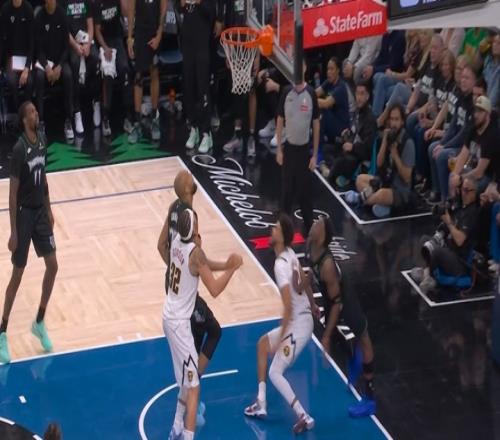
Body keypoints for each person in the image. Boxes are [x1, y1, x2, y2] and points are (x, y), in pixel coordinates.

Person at [164, 208, 242, 440]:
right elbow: (215, 289)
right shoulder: (195, 254)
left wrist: (225, 264)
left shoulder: (175, 241)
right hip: (179, 325)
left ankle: (176, 426)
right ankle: (187, 435)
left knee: (187, 379)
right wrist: (232, 269)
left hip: (169, 317)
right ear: (195, 228)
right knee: (194, 385)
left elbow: (202, 265)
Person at [244, 213, 319, 434]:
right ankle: (261, 402)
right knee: (262, 344)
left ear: (283, 236)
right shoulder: (290, 254)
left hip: (299, 323)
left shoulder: (280, 265)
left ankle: (304, 416)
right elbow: (304, 282)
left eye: (275, 228)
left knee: (275, 372)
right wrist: (314, 304)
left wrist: (281, 339)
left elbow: (287, 307)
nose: (271, 230)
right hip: (300, 319)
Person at [0, 101, 58, 364]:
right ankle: (2, 331)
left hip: (40, 213)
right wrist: (13, 231)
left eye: (36, 111)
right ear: (25, 120)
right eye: (32, 112)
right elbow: (12, 194)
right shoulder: (19, 149)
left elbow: (43, 179)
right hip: (24, 215)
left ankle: (39, 321)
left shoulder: (42, 140)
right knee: (17, 275)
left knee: (53, 266)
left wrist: (50, 209)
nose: (37, 114)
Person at [157, 171, 222, 393]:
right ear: (187, 189)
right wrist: (228, 266)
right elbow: (198, 260)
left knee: (196, 334)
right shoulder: (191, 217)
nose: (192, 177)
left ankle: (190, 387)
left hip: (172, 285)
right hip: (185, 294)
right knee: (213, 331)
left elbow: (160, 245)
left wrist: (175, 265)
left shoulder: (172, 207)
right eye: (189, 178)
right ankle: (192, 390)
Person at [306, 217, 376, 417]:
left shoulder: (328, 265)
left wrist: (327, 336)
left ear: (322, 236)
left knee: (363, 338)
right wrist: (307, 292)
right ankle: (353, 358)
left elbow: (338, 303)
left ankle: (370, 399)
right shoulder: (309, 246)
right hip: (330, 297)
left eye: (318, 223)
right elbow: (311, 272)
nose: (314, 223)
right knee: (331, 334)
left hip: (344, 299)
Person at [276, 61, 319, 235]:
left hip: (304, 150)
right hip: (289, 149)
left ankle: (310, 231)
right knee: (286, 192)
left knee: (305, 194)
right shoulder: (286, 92)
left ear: (305, 68)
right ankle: (282, 231)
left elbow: (316, 124)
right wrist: (279, 149)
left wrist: (314, 155)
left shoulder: (311, 93)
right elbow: (280, 119)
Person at [351, 103, 415, 218]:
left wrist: (395, 156)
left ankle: (361, 199)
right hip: (385, 181)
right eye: (391, 119)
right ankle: (382, 205)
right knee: (360, 179)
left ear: (402, 122)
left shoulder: (408, 143)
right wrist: (385, 141)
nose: (393, 123)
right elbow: (379, 164)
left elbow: (407, 177)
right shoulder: (389, 136)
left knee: (381, 194)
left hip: (399, 190)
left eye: (396, 119)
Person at [418, 176, 479, 293]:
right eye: (462, 189)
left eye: (467, 190)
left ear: (474, 192)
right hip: (448, 249)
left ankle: (428, 276)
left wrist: (449, 223)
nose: (463, 193)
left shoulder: (473, 213)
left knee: (436, 251)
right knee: (424, 240)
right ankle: (427, 275)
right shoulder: (459, 207)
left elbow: (460, 240)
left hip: (460, 260)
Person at [427, 64, 476, 203]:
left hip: (464, 146)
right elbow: (454, 125)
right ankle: (436, 191)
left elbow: (464, 134)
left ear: (474, 81)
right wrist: (442, 143)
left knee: (442, 155)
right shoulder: (461, 95)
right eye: (462, 77)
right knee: (432, 147)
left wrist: (445, 146)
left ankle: (447, 199)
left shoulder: (473, 103)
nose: (463, 80)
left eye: (467, 78)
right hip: (455, 140)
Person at [34, 0, 75, 139]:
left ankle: (69, 120)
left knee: (68, 75)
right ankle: (41, 121)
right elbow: (38, 49)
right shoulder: (39, 17)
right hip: (44, 63)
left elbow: (66, 47)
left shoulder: (62, 15)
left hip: (59, 62)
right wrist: (46, 67)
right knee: (39, 77)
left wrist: (59, 66)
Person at [323, 82, 377, 188]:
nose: (359, 97)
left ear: (367, 96)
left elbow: (367, 149)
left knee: (340, 162)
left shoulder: (370, 119)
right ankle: (337, 175)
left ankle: (330, 178)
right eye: (357, 93)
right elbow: (354, 133)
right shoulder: (357, 112)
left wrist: (352, 147)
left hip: (358, 158)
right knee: (327, 149)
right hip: (349, 150)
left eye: (362, 94)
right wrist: (347, 135)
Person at [127, 0, 166, 143]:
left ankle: (155, 119)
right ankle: (137, 122)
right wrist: (129, 37)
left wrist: (159, 35)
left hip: (154, 32)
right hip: (140, 33)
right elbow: (131, 10)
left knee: (154, 72)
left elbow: (163, 9)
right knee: (138, 75)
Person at [94, 0, 133, 136]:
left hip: (117, 40)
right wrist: (105, 48)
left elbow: (126, 13)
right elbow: (97, 31)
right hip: (104, 42)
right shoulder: (97, 4)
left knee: (125, 70)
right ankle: (106, 118)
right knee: (108, 74)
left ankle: (128, 117)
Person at [180, 0, 214, 153]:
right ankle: (194, 128)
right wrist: (181, 5)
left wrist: (200, 3)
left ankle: (206, 132)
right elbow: (179, 8)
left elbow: (211, 13)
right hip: (187, 41)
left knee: (202, 87)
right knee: (189, 86)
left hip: (202, 42)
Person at [449, 96, 500, 198]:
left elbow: (479, 172)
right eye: (475, 111)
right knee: (452, 175)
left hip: (489, 176)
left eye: (480, 112)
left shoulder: (492, 136)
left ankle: (464, 206)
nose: (476, 115)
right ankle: (451, 203)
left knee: (466, 185)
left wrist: (460, 179)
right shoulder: (473, 129)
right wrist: (455, 175)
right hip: (473, 168)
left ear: (487, 114)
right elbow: (463, 155)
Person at [63, 0, 101, 134]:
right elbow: (65, 30)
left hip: (86, 41)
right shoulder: (64, 3)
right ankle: (77, 111)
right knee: (74, 62)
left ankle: (96, 102)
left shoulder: (87, 2)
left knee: (95, 58)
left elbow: (90, 25)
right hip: (72, 43)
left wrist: (88, 44)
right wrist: (75, 46)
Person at [0, 0, 34, 113]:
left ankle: (27, 112)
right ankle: (18, 112)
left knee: (29, 81)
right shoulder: (5, 9)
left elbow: (31, 43)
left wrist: (26, 68)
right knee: (12, 81)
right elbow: (2, 40)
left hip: (25, 56)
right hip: (11, 56)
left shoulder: (28, 9)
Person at [316, 57, 350, 151]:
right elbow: (315, 93)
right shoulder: (328, 82)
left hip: (341, 127)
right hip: (332, 122)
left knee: (323, 110)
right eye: (328, 69)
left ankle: (319, 148)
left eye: (332, 69)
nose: (328, 72)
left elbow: (326, 103)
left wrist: (308, 99)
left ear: (338, 70)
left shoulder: (341, 87)